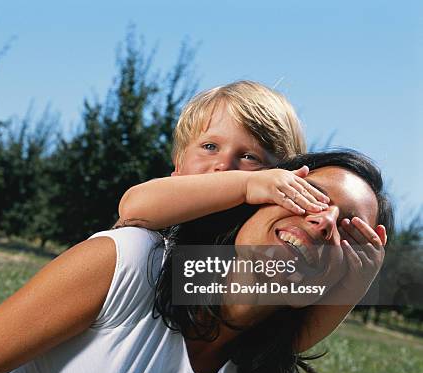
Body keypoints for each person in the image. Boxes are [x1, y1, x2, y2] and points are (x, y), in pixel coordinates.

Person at [0, 150, 393, 373]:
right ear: (259, 198)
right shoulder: (128, 264)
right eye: (309, 195)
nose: (323, 220)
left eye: (349, 230)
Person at [118, 81, 387, 351]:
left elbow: (290, 342)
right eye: (210, 146)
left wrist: (354, 286)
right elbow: (132, 207)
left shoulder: (258, 251)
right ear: (178, 165)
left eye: (249, 157)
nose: (224, 166)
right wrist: (246, 185)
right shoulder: (151, 236)